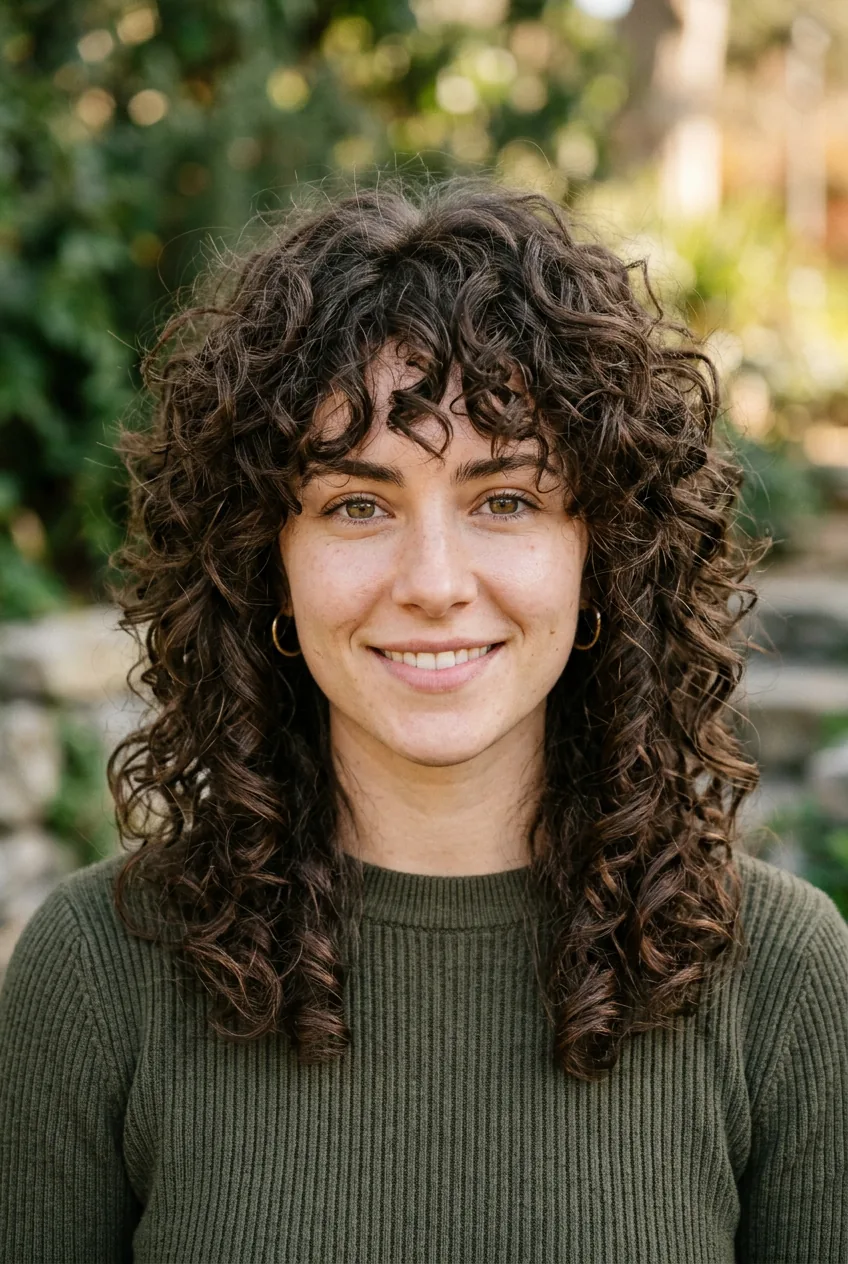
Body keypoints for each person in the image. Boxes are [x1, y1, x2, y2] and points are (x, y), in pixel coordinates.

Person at [1, 174, 846, 1263]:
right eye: (358, 505)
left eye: (506, 500)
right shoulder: (98, 970)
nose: (434, 583)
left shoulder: (782, 979)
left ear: (601, 556)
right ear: (264, 562)